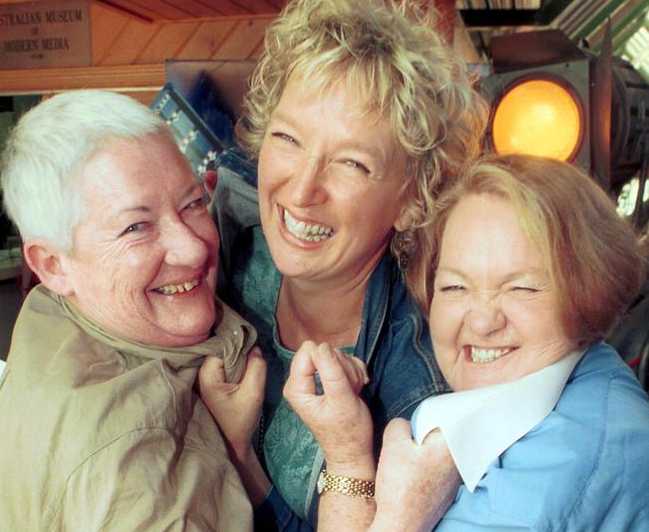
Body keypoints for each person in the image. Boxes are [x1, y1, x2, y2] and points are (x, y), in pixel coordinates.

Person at [198, 0, 488, 530]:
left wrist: (239, 454)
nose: (302, 190)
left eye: (352, 163)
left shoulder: (418, 395)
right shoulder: (222, 250)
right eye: (288, 139)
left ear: (412, 200)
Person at [286, 154, 649, 531]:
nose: (481, 320)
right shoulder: (584, 377)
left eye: (521, 288)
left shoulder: (547, 480)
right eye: (455, 287)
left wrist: (399, 516)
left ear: (591, 290)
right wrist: (347, 451)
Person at [0, 90, 259, 531]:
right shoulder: (135, 473)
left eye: (193, 204)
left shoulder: (56, 308)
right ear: (52, 264)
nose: (193, 247)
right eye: (135, 227)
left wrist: (225, 447)